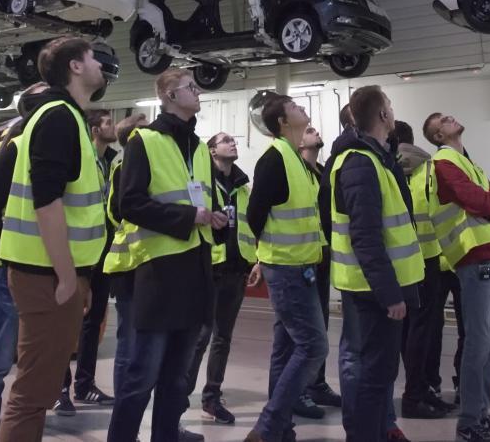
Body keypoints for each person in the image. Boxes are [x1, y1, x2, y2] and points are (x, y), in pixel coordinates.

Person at [0, 37, 110, 442]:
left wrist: (79, 278)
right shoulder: (59, 117)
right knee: (33, 391)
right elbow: (47, 202)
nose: (101, 65)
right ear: (75, 67)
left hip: (56, 272)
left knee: (38, 389)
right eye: (93, 58)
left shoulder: (69, 117)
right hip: (46, 274)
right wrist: (66, 277)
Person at [106, 69, 225, 442]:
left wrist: (213, 217)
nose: (198, 90)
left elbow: (203, 201)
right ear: (170, 96)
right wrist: (189, 217)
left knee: (176, 380)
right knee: (142, 376)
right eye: (191, 86)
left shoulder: (200, 148)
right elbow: (130, 204)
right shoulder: (144, 140)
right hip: (159, 274)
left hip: (195, 273)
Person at [329, 85, 423, 442]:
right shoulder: (360, 163)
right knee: (372, 378)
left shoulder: (377, 158)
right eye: (390, 106)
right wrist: (389, 293)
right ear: (383, 115)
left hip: (380, 286)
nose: (393, 112)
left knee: (380, 375)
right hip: (372, 290)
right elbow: (365, 236)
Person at [421, 111, 490, 441]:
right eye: (443, 120)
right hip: (473, 261)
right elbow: (478, 199)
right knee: (479, 344)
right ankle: (470, 422)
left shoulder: (468, 163)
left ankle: (482, 413)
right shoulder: (443, 162)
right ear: (438, 136)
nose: (451, 118)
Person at [0, 84, 52, 442]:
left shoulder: (57, 146)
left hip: (46, 271)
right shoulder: (16, 147)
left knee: (36, 367)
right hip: (13, 270)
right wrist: (5, 253)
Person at [245, 93, 328, 442]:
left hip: (301, 266)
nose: (301, 108)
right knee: (313, 346)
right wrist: (267, 255)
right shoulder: (274, 160)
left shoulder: (297, 159)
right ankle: (267, 427)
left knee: (286, 349)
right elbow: (254, 215)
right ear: (282, 122)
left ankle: (280, 430)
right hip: (287, 268)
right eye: (294, 107)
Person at [187, 130, 255, 426]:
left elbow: (249, 225)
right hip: (210, 268)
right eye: (226, 140)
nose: (233, 143)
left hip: (237, 270)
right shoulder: (202, 182)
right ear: (212, 150)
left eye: (234, 141)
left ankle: (212, 398)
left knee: (223, 338)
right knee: (200, 337)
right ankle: (178, 399)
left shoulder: (242, 186)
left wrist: (255, 260)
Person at [56, 107, 119, 414]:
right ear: (95, 130)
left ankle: (85, 384)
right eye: (107, 122)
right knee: (67, 322)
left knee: (94, 320)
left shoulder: (111, 161)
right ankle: (60, 388)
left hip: (103, 250)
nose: (113, 126)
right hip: (78, 250)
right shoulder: (81, 160)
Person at [396, 123, 455, 420]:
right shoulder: (429, 168)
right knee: (425, 329)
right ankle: (417, 394)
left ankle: (419, 390)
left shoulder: (388, 170)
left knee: (409, 331)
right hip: (431, 257)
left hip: (401, 260)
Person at [102, 112, 148, 407]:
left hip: (149, 264)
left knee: (144, 342)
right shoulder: (124, 166)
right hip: (129, 265)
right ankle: (124, 404)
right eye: (144, 129)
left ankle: (135, 400)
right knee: (128, 341)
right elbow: (116, 211)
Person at [301, 118, 339, 416]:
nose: (315, 130)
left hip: (323, 254)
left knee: (321, 323)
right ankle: (299, 390)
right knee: (304, 330)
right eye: (308, 130)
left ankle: (317, 383)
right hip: (301, 258)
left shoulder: (323, 171)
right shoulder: (295, 170)